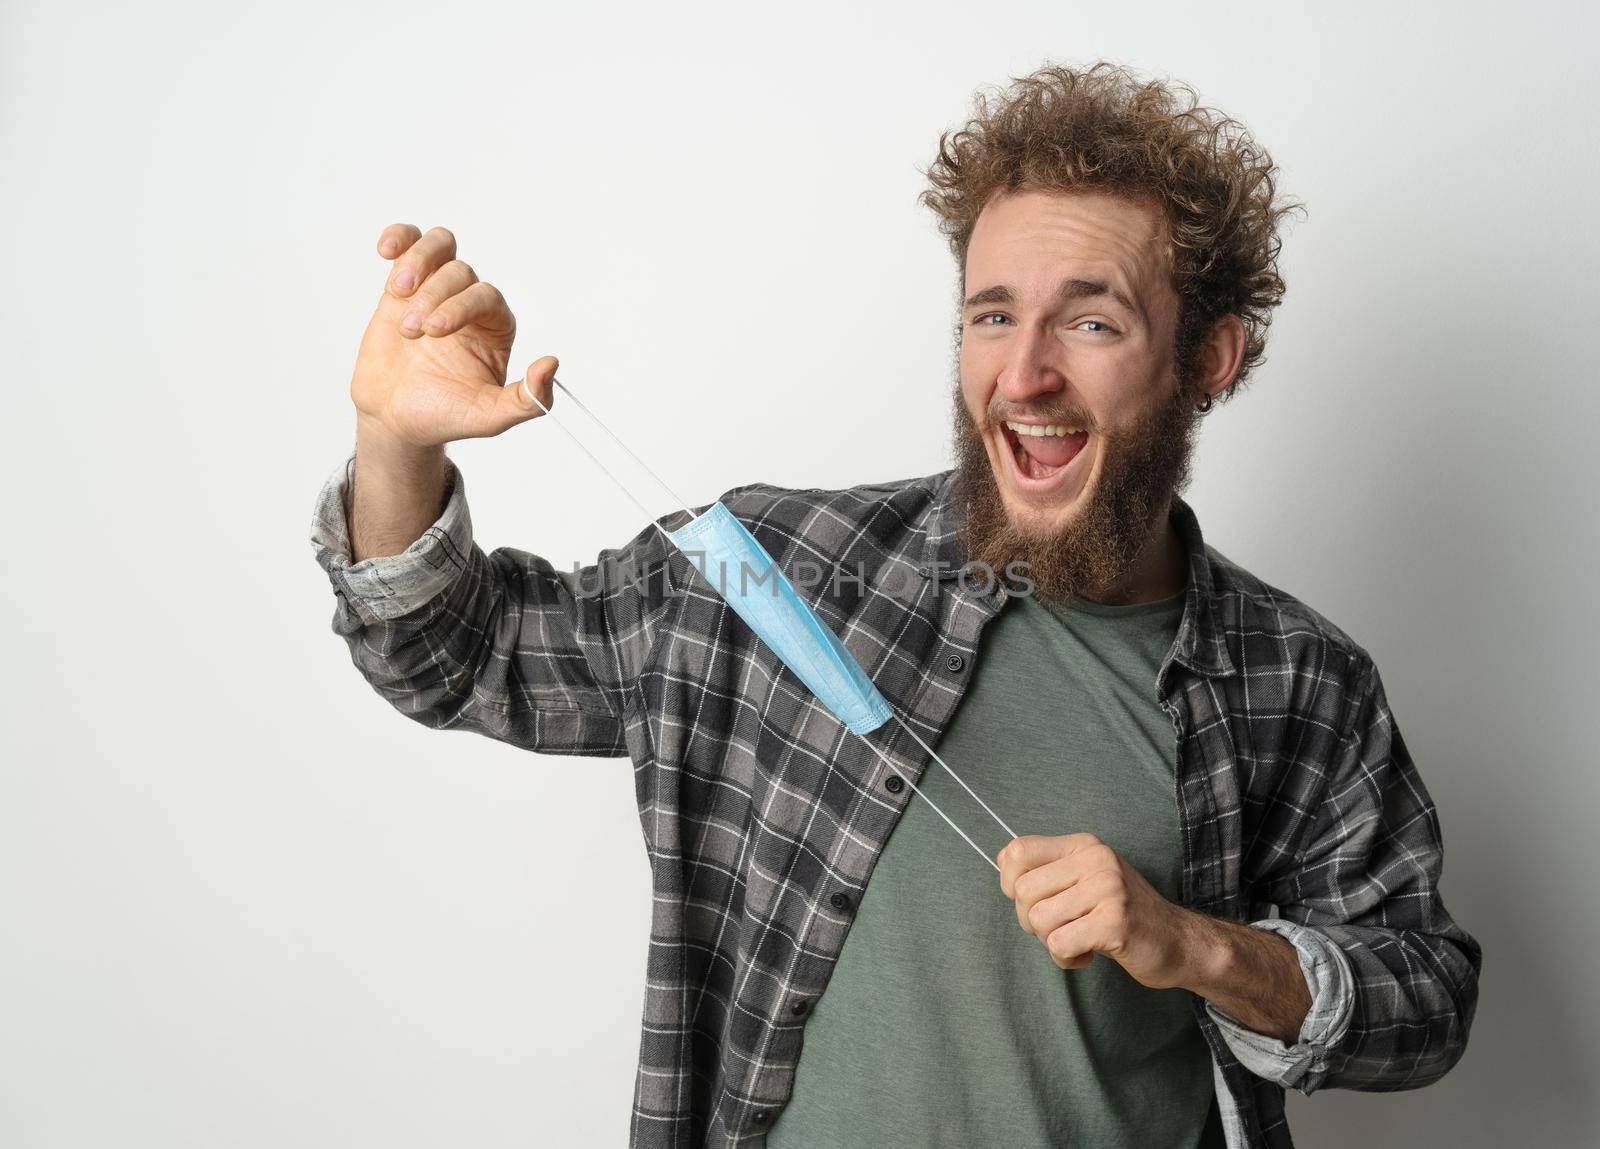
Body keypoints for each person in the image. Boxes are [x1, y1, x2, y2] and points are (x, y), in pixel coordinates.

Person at [308, 60, 1481, 1149]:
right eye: (990, 313)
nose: (1022, 373)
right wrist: (391, 444)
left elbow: (1424, 1002)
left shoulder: (1296, 678)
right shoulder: (776, 570)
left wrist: (1195, 946)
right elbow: (456, 660)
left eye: (1091, 320)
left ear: (1210, 359)